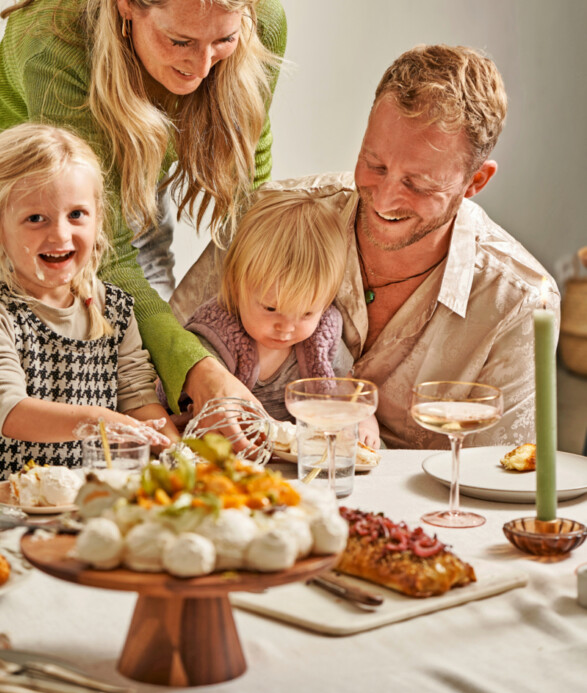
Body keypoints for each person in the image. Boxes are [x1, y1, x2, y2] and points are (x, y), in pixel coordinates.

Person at [0, 0, 287, 430]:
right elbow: (104, 253)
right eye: (179, 40)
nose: (202, 66)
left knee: (145, 397)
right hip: (11, 199)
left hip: (132, 172)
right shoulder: (56, 37)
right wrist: (199, 372)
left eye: (224, 41)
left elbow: (250, 189)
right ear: (126, 3)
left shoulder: (263, 17)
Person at [171, 45, 560, 449]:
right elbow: (164, 350)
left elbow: (502, 472)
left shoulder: (518, 302)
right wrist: (200, 372)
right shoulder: (269, 220)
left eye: (419, 184)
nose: (384, 199)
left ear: (474, 183)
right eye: (374, 165)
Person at [0, 124, 179, 486]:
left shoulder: (114, 309)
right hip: (7, 513)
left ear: (98, 217)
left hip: (90, 507)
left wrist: (178, 454)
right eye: (35, 219)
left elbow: (137, 398)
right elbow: (11, 413)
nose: (60, 234)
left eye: (76, 215)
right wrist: (100, 421)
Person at [183, 191, 380, 447]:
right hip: (235, 450)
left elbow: (348, 390)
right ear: (236, 286)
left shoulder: (323, 335)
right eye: (270, 308)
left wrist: (365, 424)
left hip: (303, 454)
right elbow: (198, 402)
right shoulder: (217, 334)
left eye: (307, 313)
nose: (286, 328)